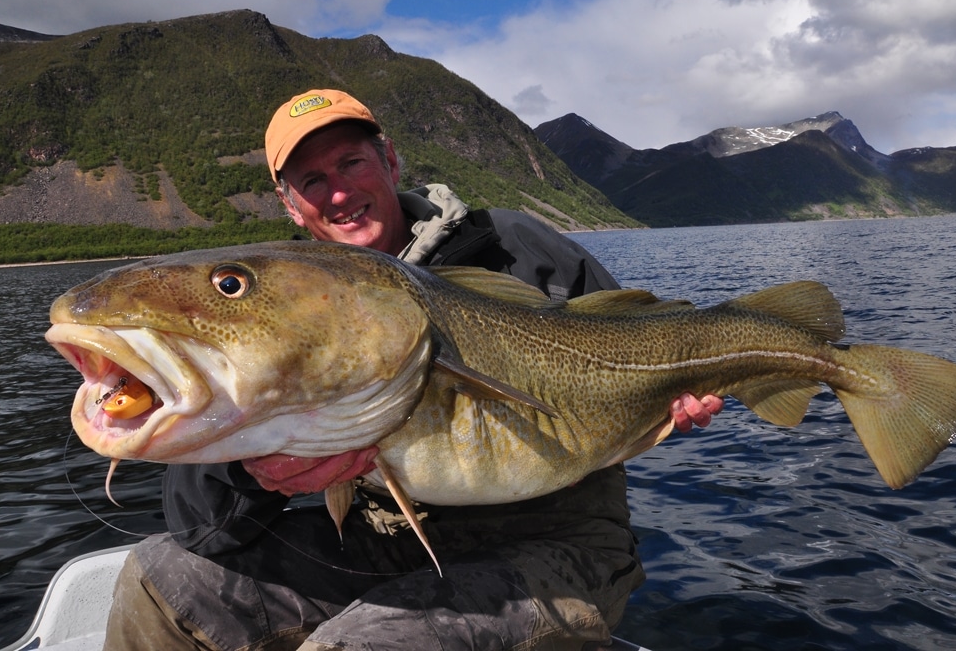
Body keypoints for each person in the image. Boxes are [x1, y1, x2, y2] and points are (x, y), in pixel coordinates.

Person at [104, 89, 723, 651]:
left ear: (390, 162)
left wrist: (674, 398)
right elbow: (201, 531)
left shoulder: (514, 243)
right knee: (159, 582)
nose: (339, 193)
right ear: (289, 205)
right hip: (386, 541)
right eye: (312, 179)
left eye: (351, 163)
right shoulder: (272, 312)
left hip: (560, 540)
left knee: (365, 645)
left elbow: (632, 341)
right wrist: (252, 470)